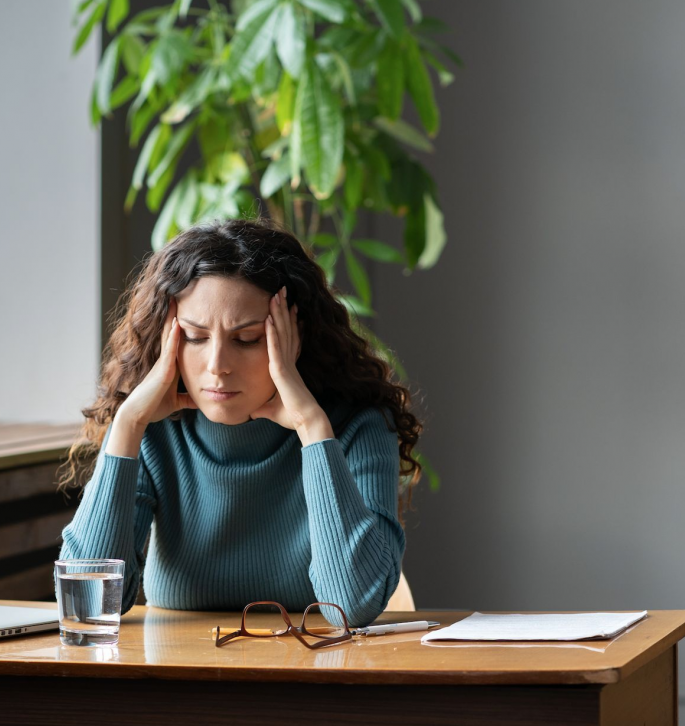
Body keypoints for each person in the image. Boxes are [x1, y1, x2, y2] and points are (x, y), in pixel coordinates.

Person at [57, 217, 424, 627]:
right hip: (178, 679)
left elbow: (353, 605)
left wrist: (313, 429)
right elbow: (88, 607)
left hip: (315, 677)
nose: (217, 367)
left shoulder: (358, 426)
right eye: (195, 337)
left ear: (293, 336)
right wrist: (125, 427)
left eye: (246, 339)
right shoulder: (154, 431)